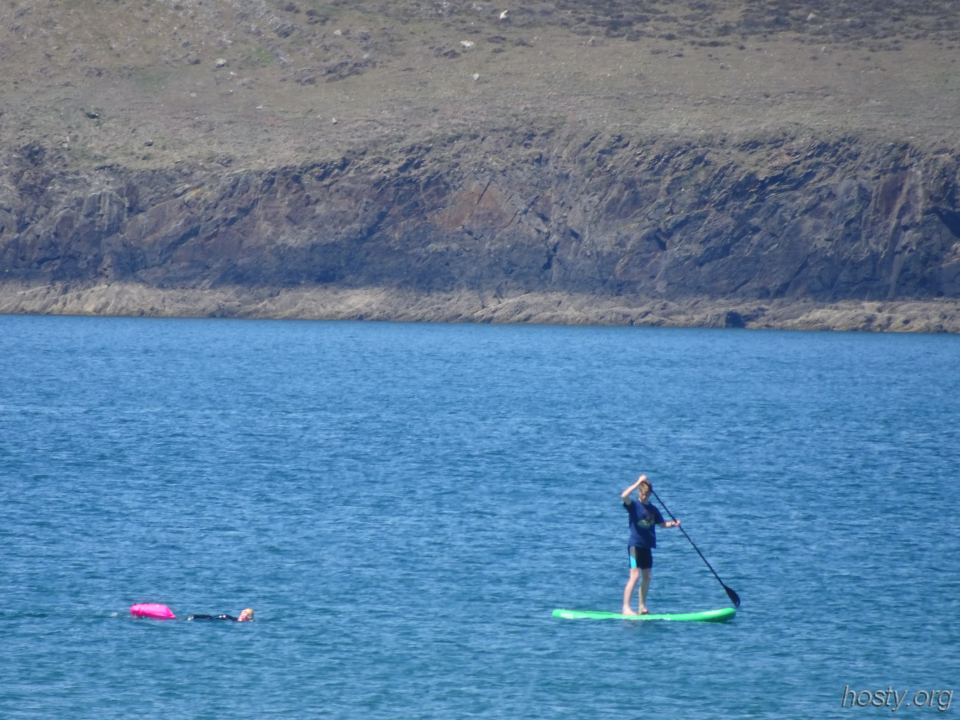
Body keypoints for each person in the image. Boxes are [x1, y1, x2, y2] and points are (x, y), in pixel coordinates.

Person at [621, 475, 680, 615]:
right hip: (634, 547)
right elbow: (623, 496)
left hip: (646, 547)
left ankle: (642, 607)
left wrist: (674, 524)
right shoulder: (633, 506)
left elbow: (662, 524)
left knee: (647, 577)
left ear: (650, 494)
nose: (644, 496)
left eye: (646, 494)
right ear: (639, 491)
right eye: (642, 493)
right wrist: (638, 482)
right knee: (634, 576)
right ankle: (625, 608)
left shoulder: (653, 509)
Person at [187, 608, 254, 622]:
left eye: (248, 615)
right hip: (220, 618)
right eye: (244, 612)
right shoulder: (230, 618)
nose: (245, 615)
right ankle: (194, 617)